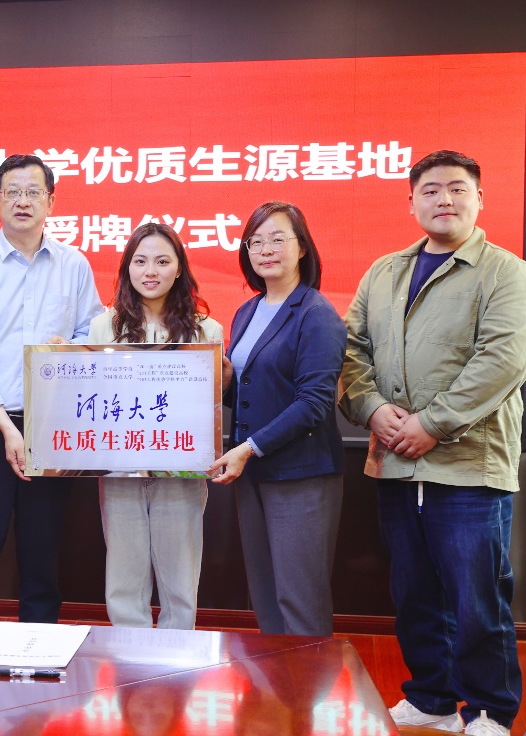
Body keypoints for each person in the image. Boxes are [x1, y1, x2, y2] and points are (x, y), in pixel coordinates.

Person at [339, 151, 526, 736]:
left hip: (468, 467)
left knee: (478, 599)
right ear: (412, 203)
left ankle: (487, 711)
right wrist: (373, 410)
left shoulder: (505, 272)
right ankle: (431, 698)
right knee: (414, 593)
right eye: (430, 190)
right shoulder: (383, 272)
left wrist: (433, 423)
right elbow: (350, 351)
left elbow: (504, 360)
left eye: (457, 188)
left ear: (479, 199)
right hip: (396, 465)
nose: (444, 199)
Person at [0, 153, 103, 623]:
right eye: (12, 192)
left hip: (50, 428)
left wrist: (72, 348)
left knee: (43, 558)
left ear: (51, 202)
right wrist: (7, 428)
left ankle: (41, 653)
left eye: (33, 192)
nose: (23, 201)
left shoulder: (73, 264)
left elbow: (92, 333)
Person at [208, 201, 346, 637]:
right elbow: (254, 393)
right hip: (252, 472)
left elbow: (314, 402)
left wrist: (248, 448)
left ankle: (308, 681)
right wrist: (227, 384)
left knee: (300, 600)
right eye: (256, 241)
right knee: (265, 595)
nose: (265, 249)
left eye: (277, 239)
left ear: (302, 247)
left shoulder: (316, 314)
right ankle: (276, 681)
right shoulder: (247, 311)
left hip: (301, 474)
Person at [87, 222, 222, 630]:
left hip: (180, 468)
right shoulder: (103, 327)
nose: (150, 271)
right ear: (127, 268)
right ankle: (130, 657)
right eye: (140, 261)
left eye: (162, 261)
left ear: (179, 268)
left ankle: (176, 659)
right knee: (124, 577)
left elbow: (210, 405)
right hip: (119, 466)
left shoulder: (206, 330)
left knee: (180, 578)